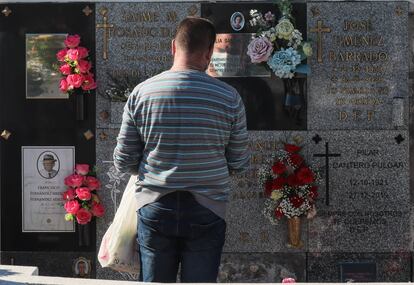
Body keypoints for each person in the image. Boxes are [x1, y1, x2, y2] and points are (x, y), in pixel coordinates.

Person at [113, 17, 250, 283]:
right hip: (207, 207)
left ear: (173, 47)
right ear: (209, 53)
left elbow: (124, 159)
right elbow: (239, 162)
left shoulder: (142, 93)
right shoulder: (229, 98)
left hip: (155, 205)